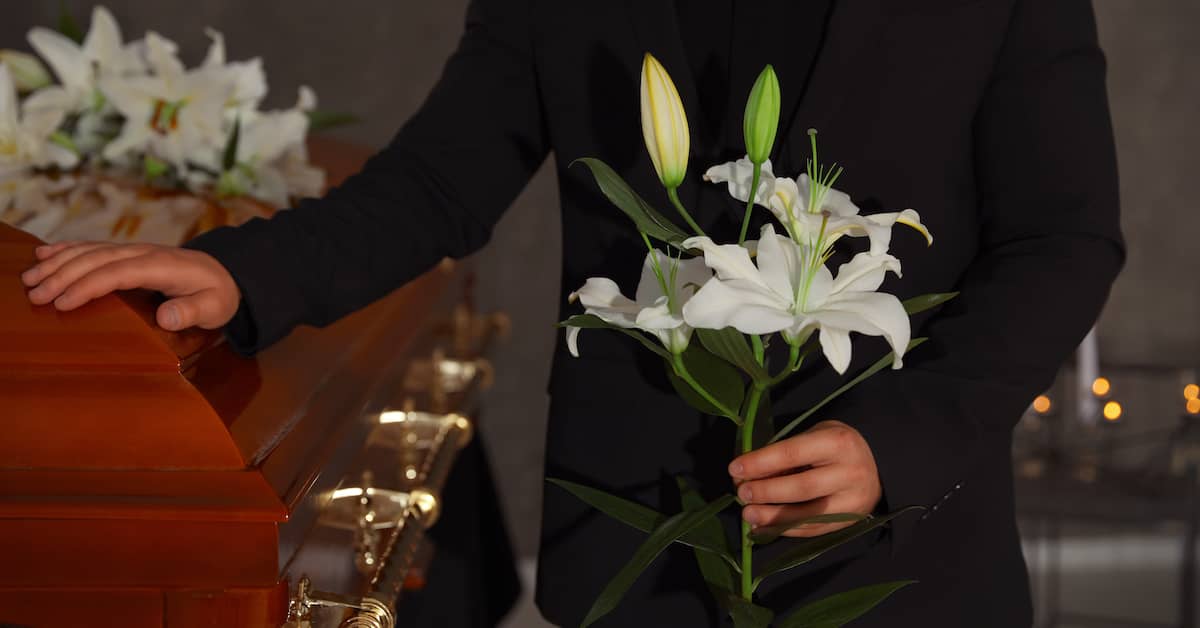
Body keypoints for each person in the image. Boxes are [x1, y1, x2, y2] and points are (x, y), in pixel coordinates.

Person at [19, 0, 1123, 625]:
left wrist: (903, 439)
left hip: (906, 558)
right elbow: (441, 183)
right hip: (640, 542)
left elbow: (1064, 239)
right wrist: (241, 274)